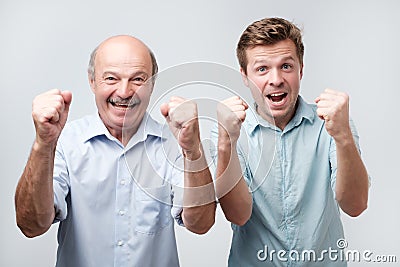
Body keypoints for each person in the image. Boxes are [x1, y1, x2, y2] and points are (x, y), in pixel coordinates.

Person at [15, 35, 216, 267]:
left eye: (138, 79)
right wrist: (43, 144)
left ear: (151, 84)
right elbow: (31, 226)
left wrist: (193, 152)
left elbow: (200, 225)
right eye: (111, 78)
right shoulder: (65, 142)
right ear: (92, 81)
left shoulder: (175, 143)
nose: (124, 91)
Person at [213, 17, 369, 266]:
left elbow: (356, 205)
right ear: (244, 75)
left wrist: (343, 137)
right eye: (262, 69)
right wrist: (226, 143)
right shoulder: (229, 132)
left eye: (286, 66)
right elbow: (238, 215)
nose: (276, 79)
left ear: (301, 69)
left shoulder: (333, 123)